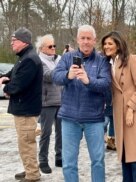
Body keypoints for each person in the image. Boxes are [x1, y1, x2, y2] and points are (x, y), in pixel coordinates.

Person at [52, 25, 111, 182]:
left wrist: (88, 80)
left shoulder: (102, 61)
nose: (85, 42)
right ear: (77, 40)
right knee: (69, 163)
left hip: (94, 119)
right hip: (70, 118)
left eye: (88, 38)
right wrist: (68, 75)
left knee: (98, 161)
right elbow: (55, 77)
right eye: (82, 38)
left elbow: (105, 84)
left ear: (94, 40)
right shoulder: (67, 57)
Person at [101, 31, 136, 182]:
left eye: (110, 43)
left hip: (135, 115)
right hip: (120, 116)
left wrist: (131, 108)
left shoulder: (131, 60)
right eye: (105, 44)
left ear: (118, 45)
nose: (106, 46)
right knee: (126, 157)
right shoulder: (108, 63)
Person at [0, 27, 42, 182]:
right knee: (24, 142)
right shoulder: (24, 57)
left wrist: (6, 88)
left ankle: (32, 175)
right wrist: (4, 77)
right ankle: (29, 169)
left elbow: (18, 85)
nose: (11, 43)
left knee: (26, 143)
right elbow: (12, 74)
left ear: (23, 42)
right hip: (23, 108)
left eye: (14, 41)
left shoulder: (29, 59)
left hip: (26, 110)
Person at [35, 34, 62, 173]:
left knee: (60, 131)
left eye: (54, 45)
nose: (53, 48)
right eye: (50, 46)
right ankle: (43, 160)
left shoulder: (57, 59)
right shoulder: (39, 61)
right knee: (46, 132)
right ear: (42, 48)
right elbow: (48, 76)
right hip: (46, 102)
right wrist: (62, 67)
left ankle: (59, 156)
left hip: (60, 101)